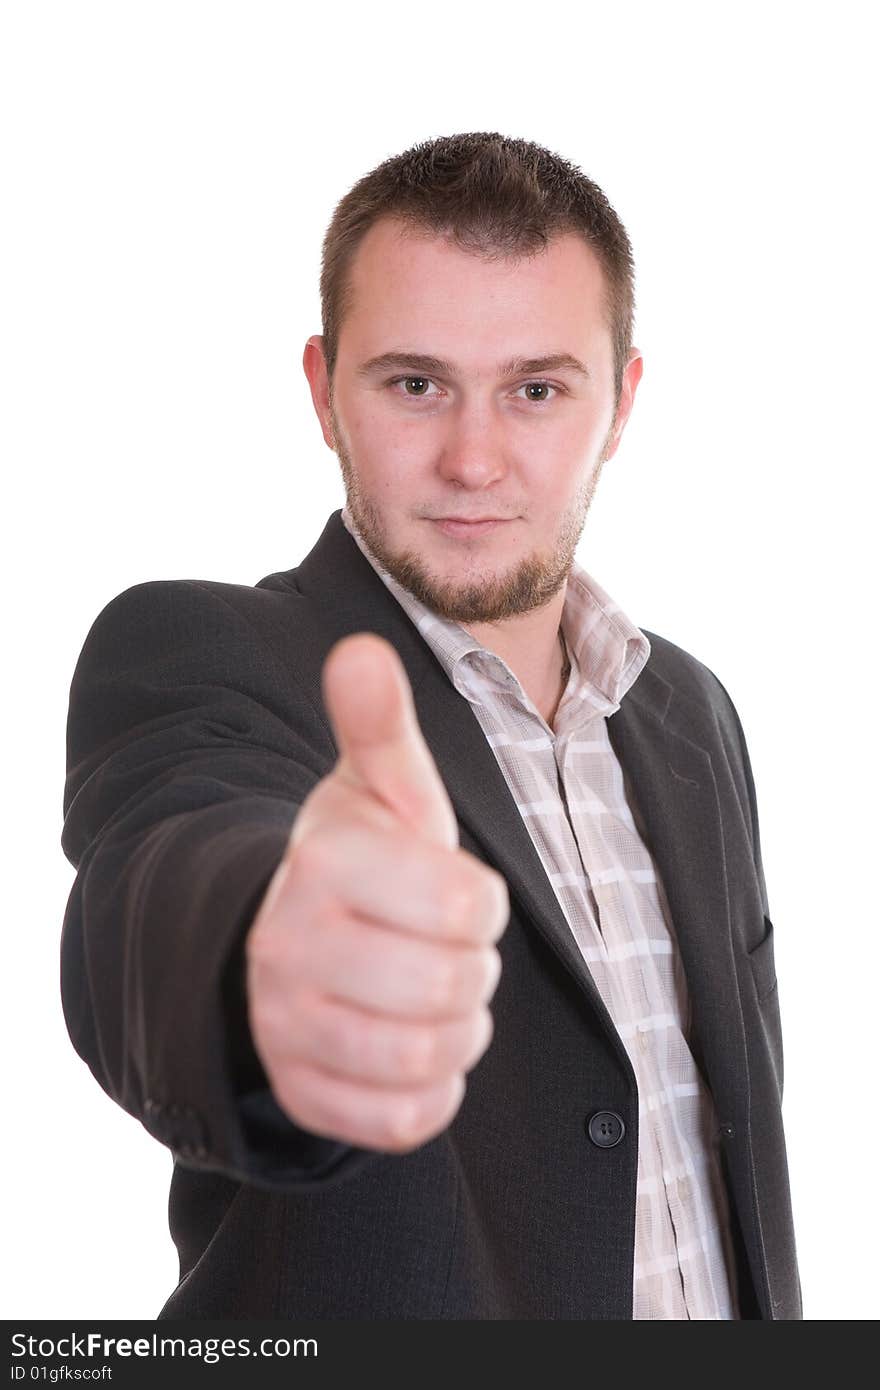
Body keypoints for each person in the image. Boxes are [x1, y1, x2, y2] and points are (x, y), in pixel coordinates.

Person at [60, 131, 801, 1319]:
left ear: (620, 404)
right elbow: (162, 884)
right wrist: (266, 953)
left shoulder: (690, 714)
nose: (472, 458)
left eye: (537, 389)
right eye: (415, 384)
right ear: (322, 389)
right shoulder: (208, 659)